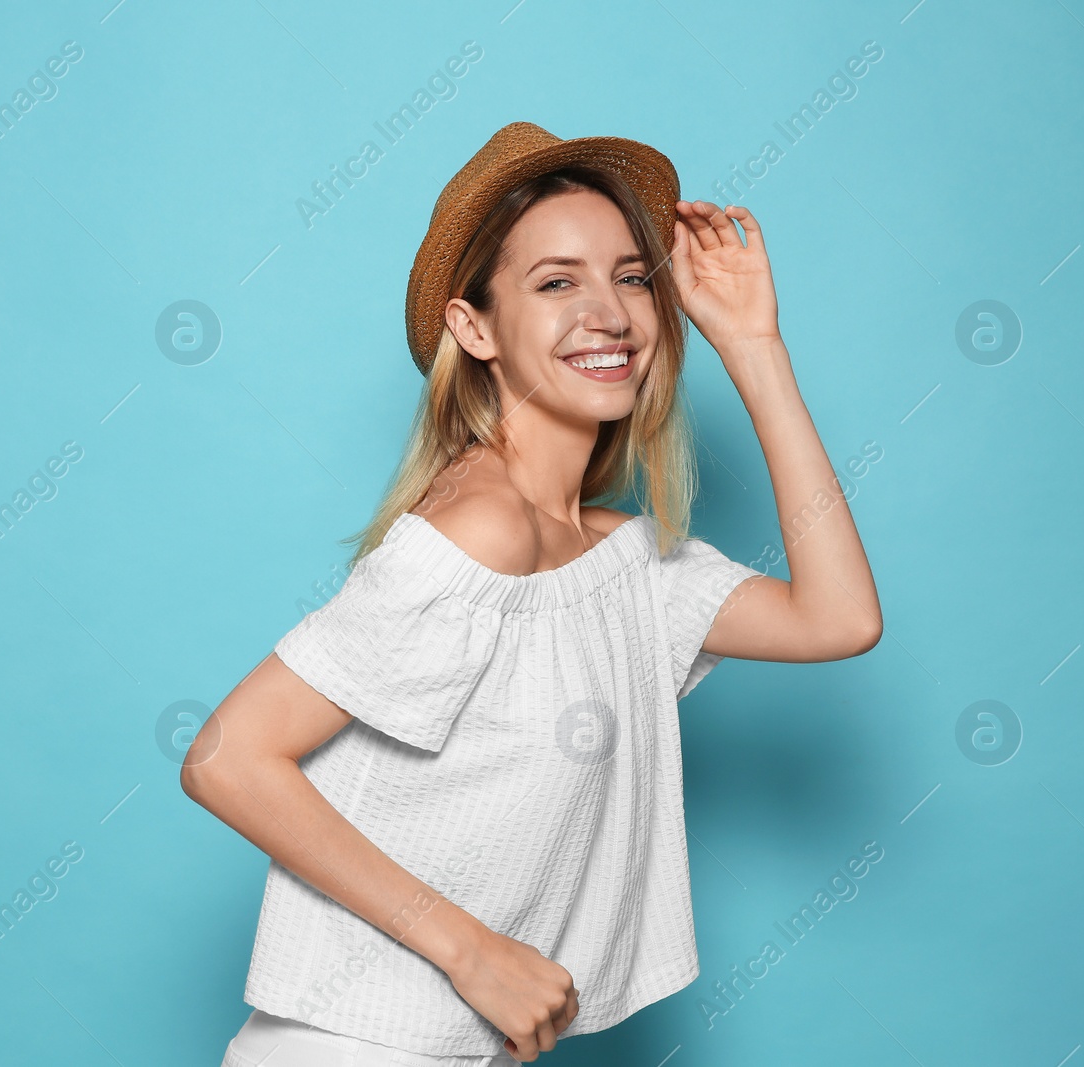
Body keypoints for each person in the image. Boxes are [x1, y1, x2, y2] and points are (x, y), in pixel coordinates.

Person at [182, 121, 882, 1066]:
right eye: (557, 283)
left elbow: (839, 618)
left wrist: (753, 346)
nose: (611, 313)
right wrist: (470, 951)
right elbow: (227, 754)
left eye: (632, 277)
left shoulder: (622, 561)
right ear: (475, 328)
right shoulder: (482, 527)